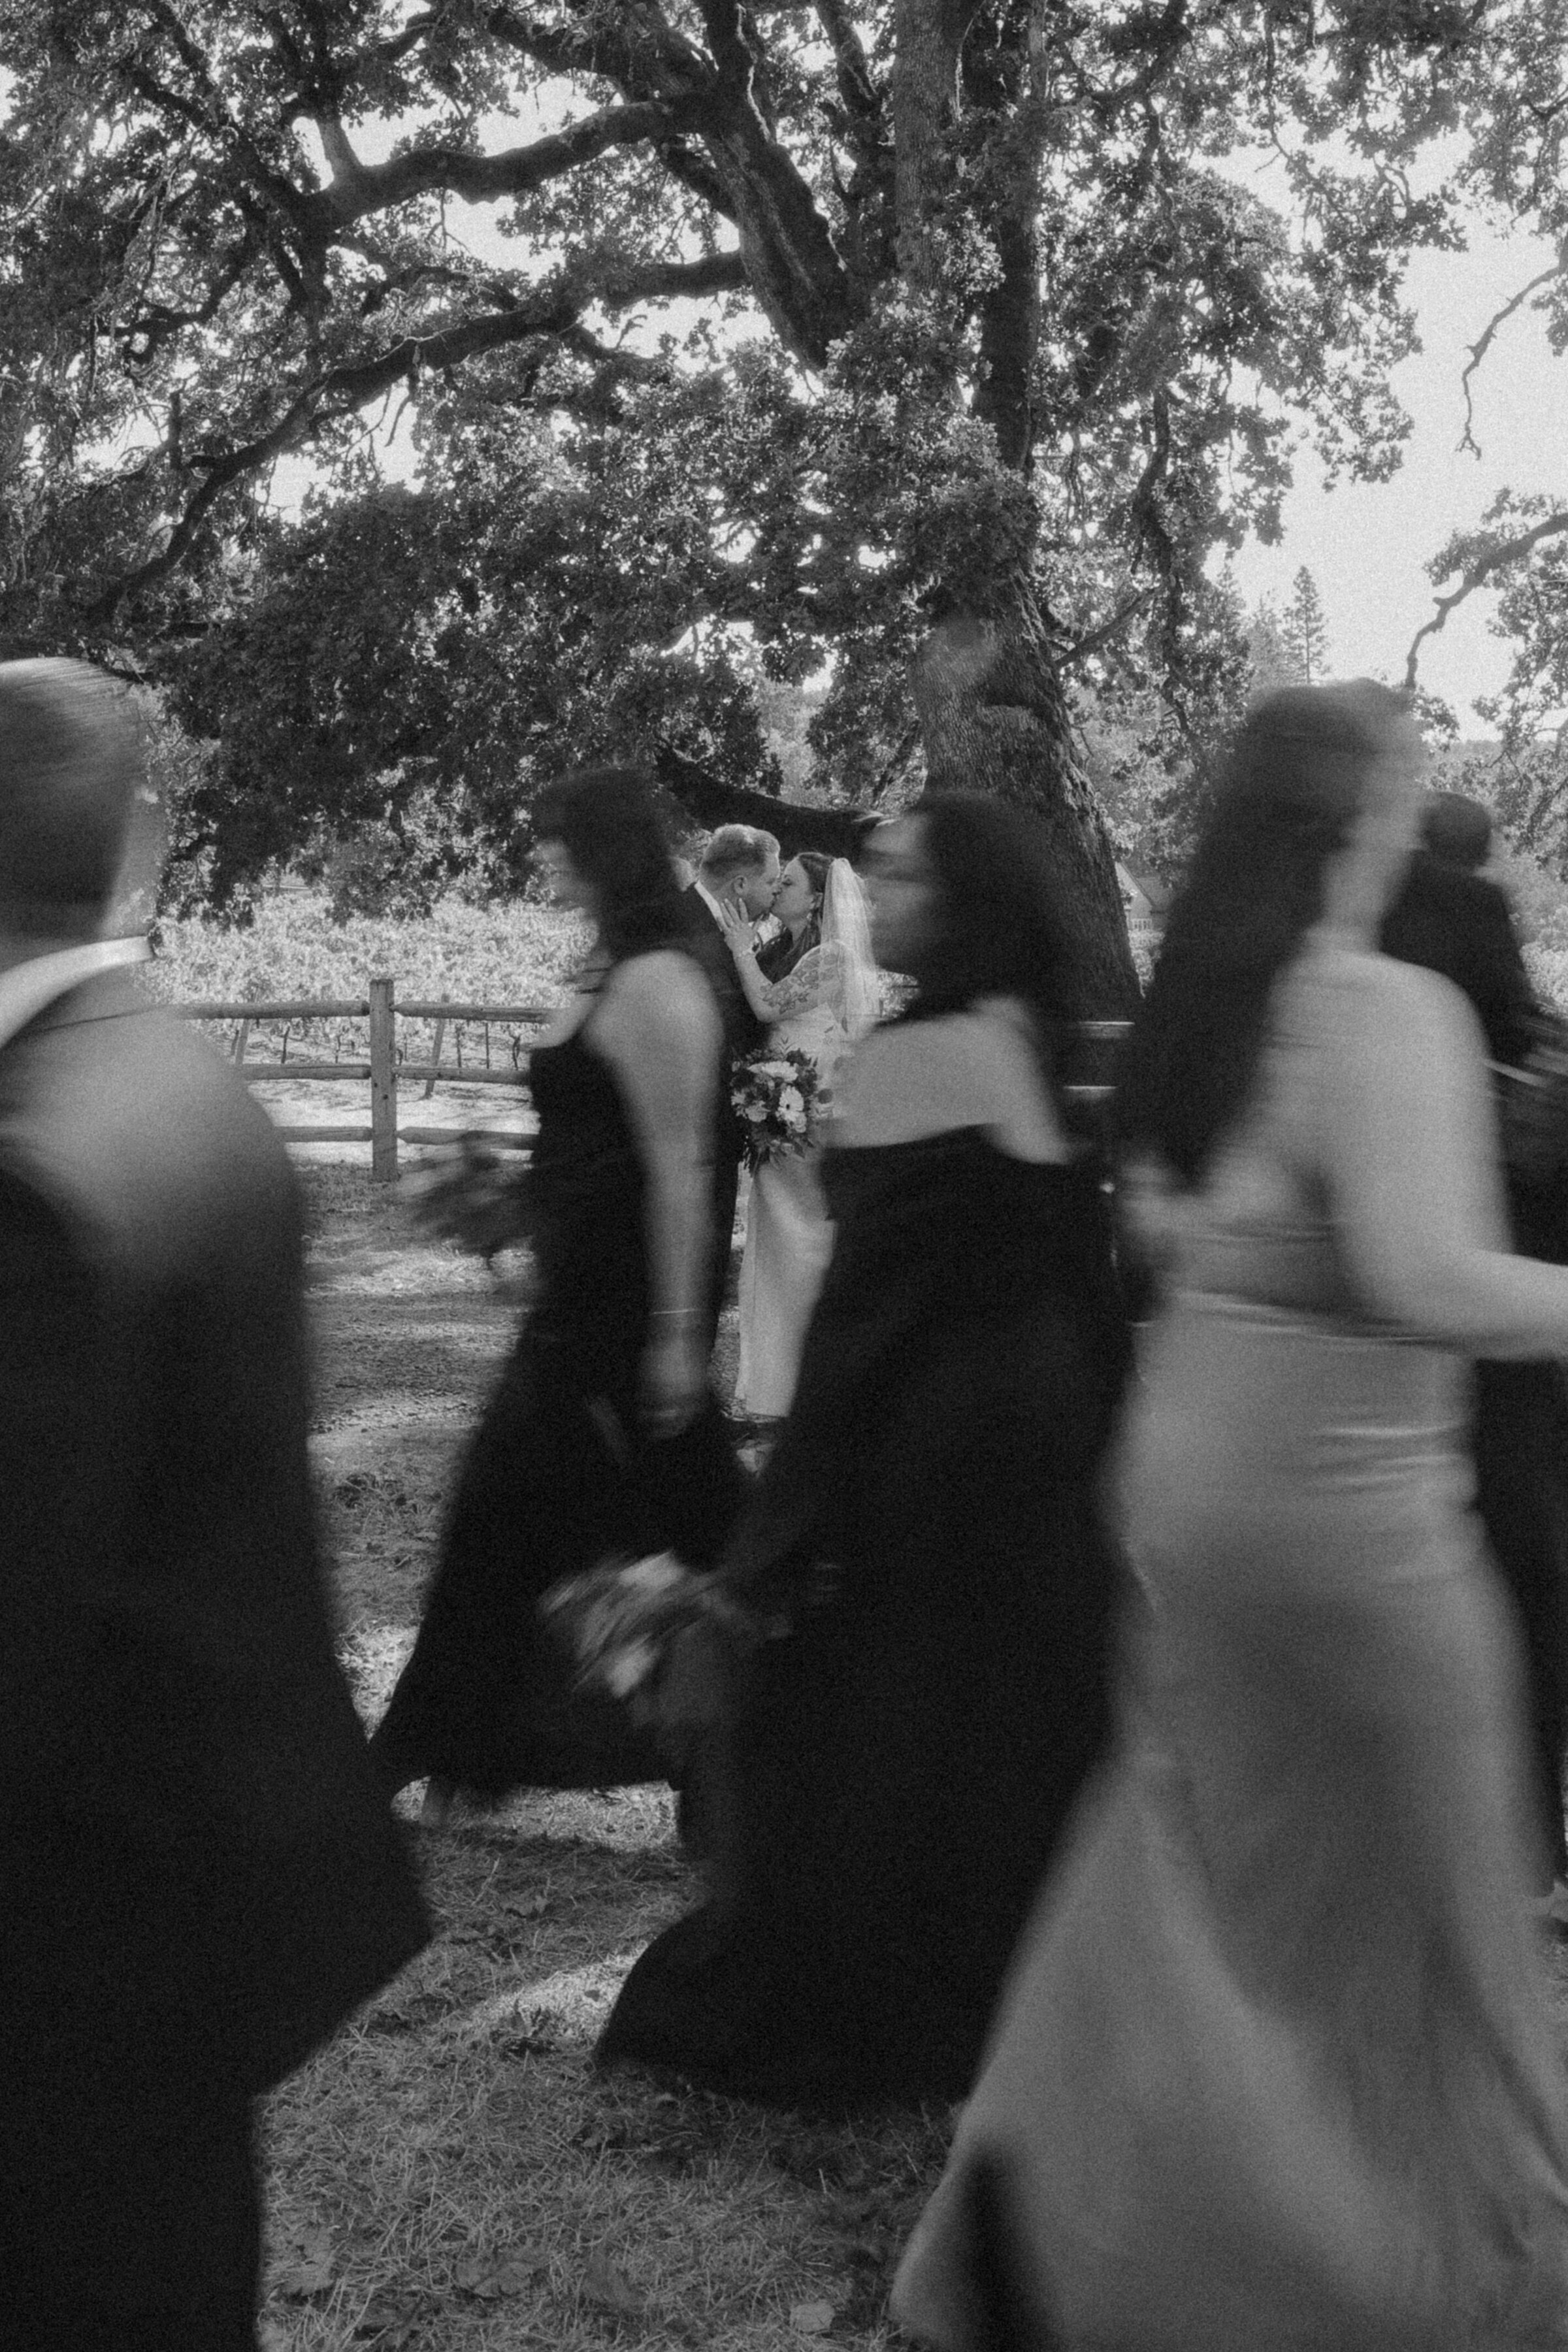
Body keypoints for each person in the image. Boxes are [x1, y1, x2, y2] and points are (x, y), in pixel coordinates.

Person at [893, 684, 1568, 2352]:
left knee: (1192, 1866)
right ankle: (1451, 2283)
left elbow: (1177, 1251)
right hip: (1342, 1534)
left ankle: (1042, 2225)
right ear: (1363, 818)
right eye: (1407, 785)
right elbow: (1421, 1277)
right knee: (1425, 1905)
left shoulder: (1203, 1011)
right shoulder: (1375, 1007)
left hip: (1190, 1503)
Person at [0, 659, 429, 2351]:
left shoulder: (32, 1176)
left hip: (67, 1938)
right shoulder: (184, 1083)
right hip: (198, 1887)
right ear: (136, 851)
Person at [598, 792, 1131, 2107]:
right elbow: (1087, 1279)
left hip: (935, 1454)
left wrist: (768, 1546)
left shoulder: (919, 1058)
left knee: (859, 1744)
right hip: (1051, 1449)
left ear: (964, 900)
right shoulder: (1036, 1037)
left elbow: (858, 1328)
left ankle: (830, 2011)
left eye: (902, 876)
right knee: (1011, 1741)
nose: (875, 894)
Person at [368, 766, 747, 1812]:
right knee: (642, 1530)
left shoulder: (662, 981)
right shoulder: (603, 967)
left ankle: (422, 1749)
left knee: (552, 1525)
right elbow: (587, 1150)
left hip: (626, 1315)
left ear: (602, 847)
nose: (536, 854)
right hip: (574, 1298)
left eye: (552, 837)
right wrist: (504, 1212)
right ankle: (723, 1770)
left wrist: (678, 1337)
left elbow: (682, 1172)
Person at [1382, 790, 1568, 1886]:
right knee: (1525, 1575)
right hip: (1515, 1375)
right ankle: (1523, 1832)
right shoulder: (1533, 1038)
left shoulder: (1391, 1020)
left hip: (1426, 1381)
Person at [718, 849, 879, 1418]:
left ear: (816, 898)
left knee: (809, 1249)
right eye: (777, 880)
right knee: (777, 1250)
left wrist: (737, 947)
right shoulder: (780, 951)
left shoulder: (831, 955)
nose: (777, 886)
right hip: (781, 1122)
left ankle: (818, 1388)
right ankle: (773, 1389)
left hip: (810, 1126)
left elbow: (767, 1006)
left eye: (788, 882)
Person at [681, 824, 782, 1331]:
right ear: (741, 885)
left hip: (721, 1127)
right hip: (687, 1128)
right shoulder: (677, 926)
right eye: (771, 881)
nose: (775, 892)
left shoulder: (733, 930)